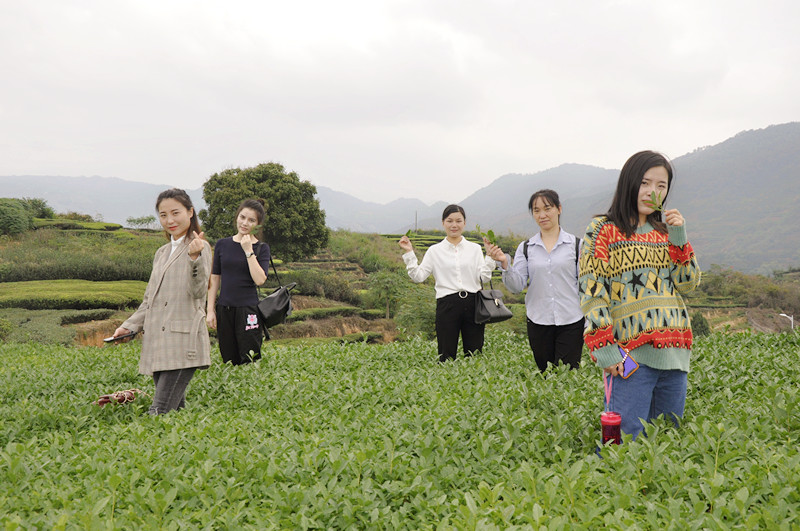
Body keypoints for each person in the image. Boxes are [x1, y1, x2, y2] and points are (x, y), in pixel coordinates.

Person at [579, 151, 701, 439]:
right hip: (630, 358)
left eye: (661, 186)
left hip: (675, 355)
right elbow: (592, 292)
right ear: (629, 183)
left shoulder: (666, 232)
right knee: (624, 442)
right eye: (645, 183)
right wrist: (605, 350)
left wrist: (679, 235)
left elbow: (688, 284)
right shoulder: (602, 230)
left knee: (666, 442)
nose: (652, 192)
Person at [111, 188, 212, 415]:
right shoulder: (162, 252)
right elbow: (149, 300)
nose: (170, 220)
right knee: (174, 412)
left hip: (183, 340)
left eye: (175, 213)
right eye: (163, 215)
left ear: (190, 212)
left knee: (158, 411)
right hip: (159, 341)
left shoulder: (199, 247)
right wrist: (129, 326)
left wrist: (194, 259)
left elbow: (198, 292)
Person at [488, 189, 584, 372]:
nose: (542, 215)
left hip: (571, 319)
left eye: (547, 208)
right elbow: (517, 286)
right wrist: (504, 263)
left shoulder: (577, 245)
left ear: (559, 209)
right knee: (545, 375)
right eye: (536, 210)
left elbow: (586, 285)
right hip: (539, 321)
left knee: (568, 377)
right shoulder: (526, 248)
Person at [399, 204, 497, 363]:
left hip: (473, 304)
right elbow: (418, 276)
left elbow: (484, 278)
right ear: (443, 223)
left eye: (458, 221)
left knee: (474, 354)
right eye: (450, 220)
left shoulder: (475, 249)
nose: (454, 225)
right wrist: (409, 253)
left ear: (465, 223)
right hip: (447, 304)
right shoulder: (434, 251)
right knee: (446, 354)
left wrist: (490, 257)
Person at [206, 199, 270, 365]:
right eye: (242, 217)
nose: (245, 223)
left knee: (250, 359)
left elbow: (260, 279)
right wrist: (210, 309)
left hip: (248, 310)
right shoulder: (222, 244)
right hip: (224, 309)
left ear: (258, 225)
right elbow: (215, 277)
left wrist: (248, 251)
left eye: (251, 220)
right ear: (237, 217)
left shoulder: (261, 248)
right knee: (228, 358)